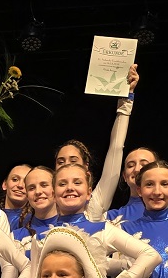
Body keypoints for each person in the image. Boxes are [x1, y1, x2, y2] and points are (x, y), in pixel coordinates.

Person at [54, 63, 138, 221]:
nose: (66, 165)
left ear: (86, 167)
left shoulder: (95, 203)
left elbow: (116, 147)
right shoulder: (45, 204)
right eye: (61, 161)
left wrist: (127, 97)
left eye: (73, 160)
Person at [0, 163, 34, 229]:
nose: (20, 185)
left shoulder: (35, 222)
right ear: (5, 184)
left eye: (26, 182)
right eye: (15, 179)